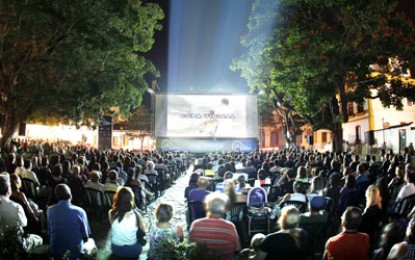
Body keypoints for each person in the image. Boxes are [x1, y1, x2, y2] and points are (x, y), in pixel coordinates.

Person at [47, 184, 95, 259]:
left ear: (56, 196)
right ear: (70, 195)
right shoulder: (80, 211)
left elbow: (50, 232)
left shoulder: (50, 210)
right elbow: (86, 236)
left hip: (56, 252)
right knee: (91, 241)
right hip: (75, 253)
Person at [189, 192, 241, 259]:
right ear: (224, 209)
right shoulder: (230, 227)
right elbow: (237, 249)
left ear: (207, 207)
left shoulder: (195, 224)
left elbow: (191, 247)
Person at [0, 174, 43, 252]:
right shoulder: (16, 207)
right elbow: (24, 223)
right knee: (40, 239)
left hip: (3, 242)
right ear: (7, 189)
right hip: (18, 242)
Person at [108, 186, 146, 259]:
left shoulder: (111, 213)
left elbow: (114, 228)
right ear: (131, 200)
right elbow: (144, 232)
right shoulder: (137, 215)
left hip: (116, 249)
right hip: (133, 251)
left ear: (118, 199)